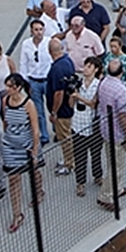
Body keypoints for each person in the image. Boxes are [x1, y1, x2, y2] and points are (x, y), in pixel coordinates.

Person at [1, 74, 42, 233]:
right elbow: (5, 121)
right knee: (13, 178)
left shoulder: (28, 104)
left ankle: (39, 191)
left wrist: (35, 150)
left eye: (10, 86)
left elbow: (35, 127)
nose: (7, 89)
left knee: (34, 171)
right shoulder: (6, 101)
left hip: (26, 144)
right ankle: (17, 214)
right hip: (10, 145)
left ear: (18, 87)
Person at [95, 58, 126, 211]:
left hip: (105, 128)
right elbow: (123, 117)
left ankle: (117, 189)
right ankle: (106, 195)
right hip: (117, 133)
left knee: (111, 161)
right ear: (122, 72)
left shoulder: (103, 83)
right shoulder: (121, 90)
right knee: (117, 166)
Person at [70, 57, 103, 197]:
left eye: (89, 67)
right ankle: (80, 183)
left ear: (95, 69)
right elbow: (71, 104)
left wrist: (78, 96)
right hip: (77, 123)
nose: (86, 69)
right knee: (79, 155)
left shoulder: (98, 85)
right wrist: (72, 94)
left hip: (93, 124)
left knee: (96, 153)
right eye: (85, 66)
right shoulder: (78, 83)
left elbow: (93, 103)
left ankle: (98, 175)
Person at [17, 20, 52, 145]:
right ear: (31, 31)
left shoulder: (49, 42)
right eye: (36, 29)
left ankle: (55, 129)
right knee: (38, 110)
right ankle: (44, 134)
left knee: (52, 106)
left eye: (40, 29)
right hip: (34, 81)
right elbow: (23, 63)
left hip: (47, 80)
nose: (38, 32)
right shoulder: (26, 44)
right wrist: (25, 82)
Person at [46, 39, 77, 177]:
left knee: (64, 136)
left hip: (62, 110)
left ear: (49, 52)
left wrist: (54, 112)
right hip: (68, 105)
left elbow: (59, 93)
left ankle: (70, 163)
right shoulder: (68, 61)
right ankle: (67, 159)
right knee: (66, 135)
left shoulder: (57, 68)